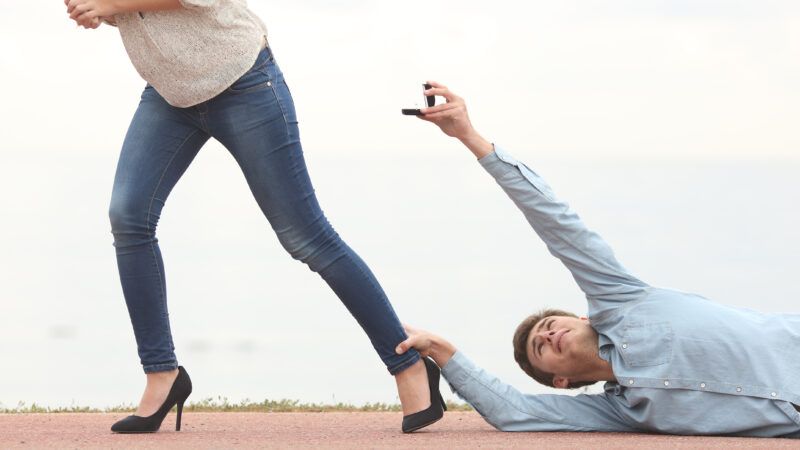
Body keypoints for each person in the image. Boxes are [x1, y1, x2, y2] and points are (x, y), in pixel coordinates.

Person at [63, 0, 444, 434]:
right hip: (170, 93)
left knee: (306, 237)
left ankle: (408, 365)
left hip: (244, 83)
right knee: (128, 216)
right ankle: (161, 373)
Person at [396, 81, 800, 438]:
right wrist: (442, 351)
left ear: (583, 318)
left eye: (551, 325)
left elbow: (556, 222)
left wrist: (469, 136)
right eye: (542, 347)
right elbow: (515, 412)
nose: (549, 335)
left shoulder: (623, 301)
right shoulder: (620, 411)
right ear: (561, 380)